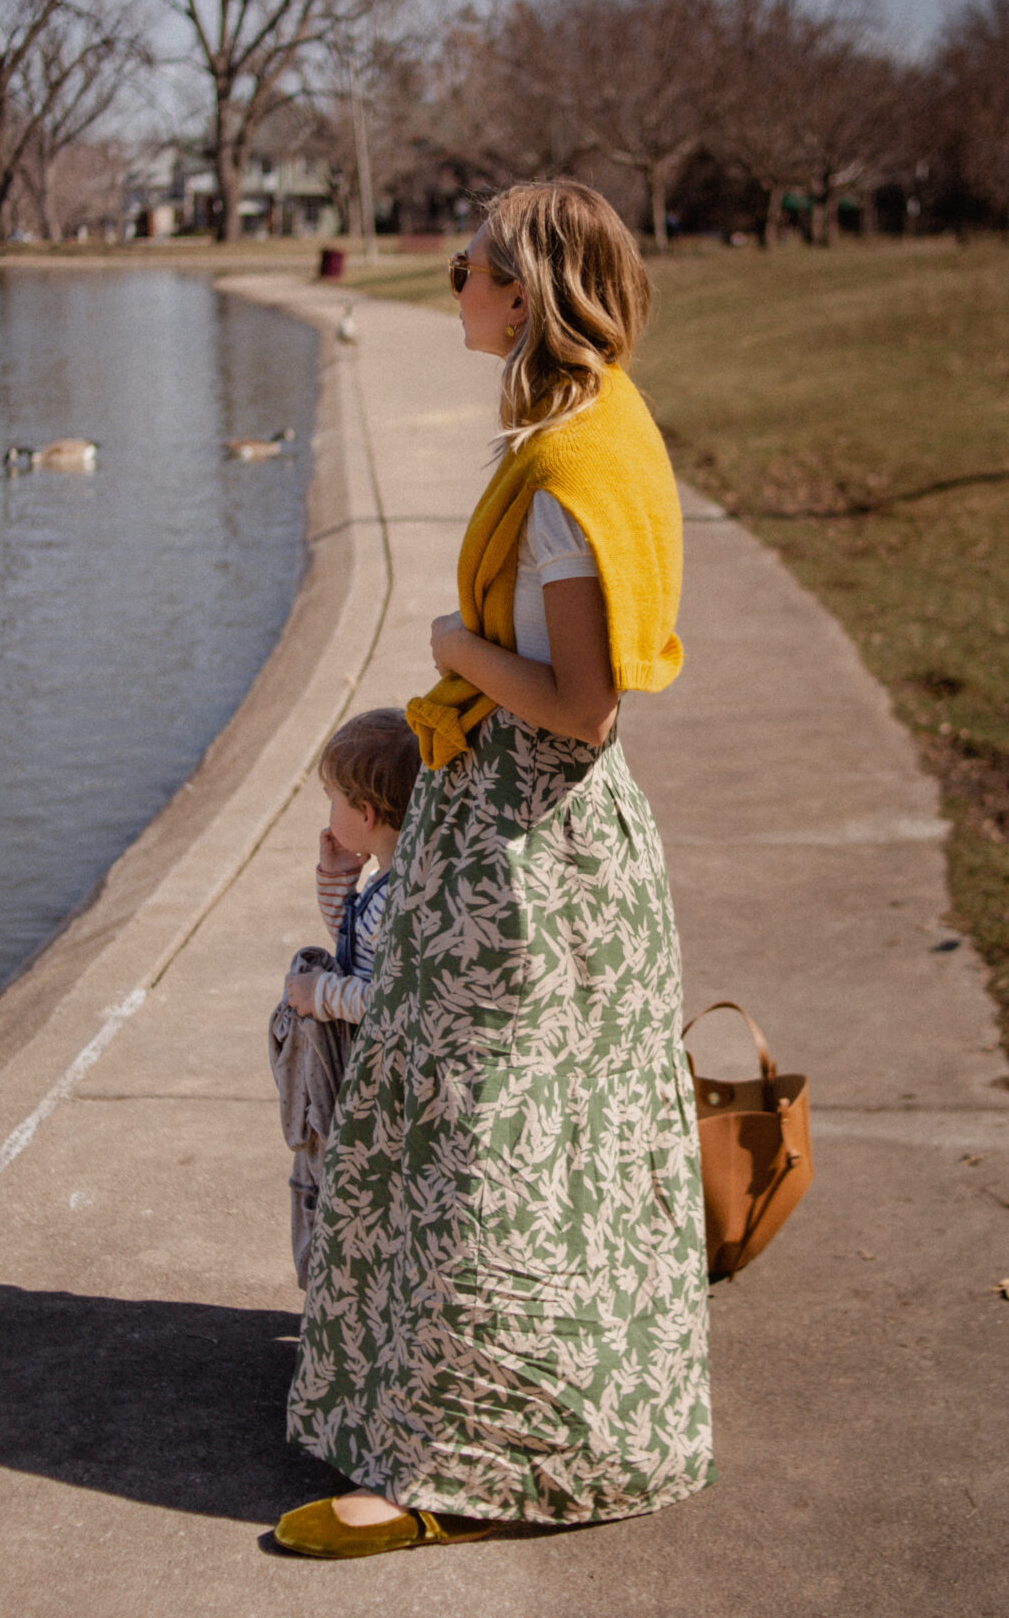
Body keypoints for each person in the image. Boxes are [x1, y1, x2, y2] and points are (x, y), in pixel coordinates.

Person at [275, 181, 715, 1558]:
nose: (452, 282)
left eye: (466, 265)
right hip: (558, 838)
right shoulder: (596, 423)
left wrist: (453, 653)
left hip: (531, 848)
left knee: (484, 1143)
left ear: (520, 294)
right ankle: (547, 1422)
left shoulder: (568, 475)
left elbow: (582, 702)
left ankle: (440, 1475)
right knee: (553, 1143)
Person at [267, 708, 420, 1289]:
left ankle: (339, 1292)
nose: (327, 813)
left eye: (332, 798)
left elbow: (391, 998)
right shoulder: (389, 878)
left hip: (374, 1079)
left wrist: (320, 994)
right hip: (368, 1068)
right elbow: (352, 941)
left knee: (342, 1185)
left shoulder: (397, 897)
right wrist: (338, 880)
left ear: (367, 812)